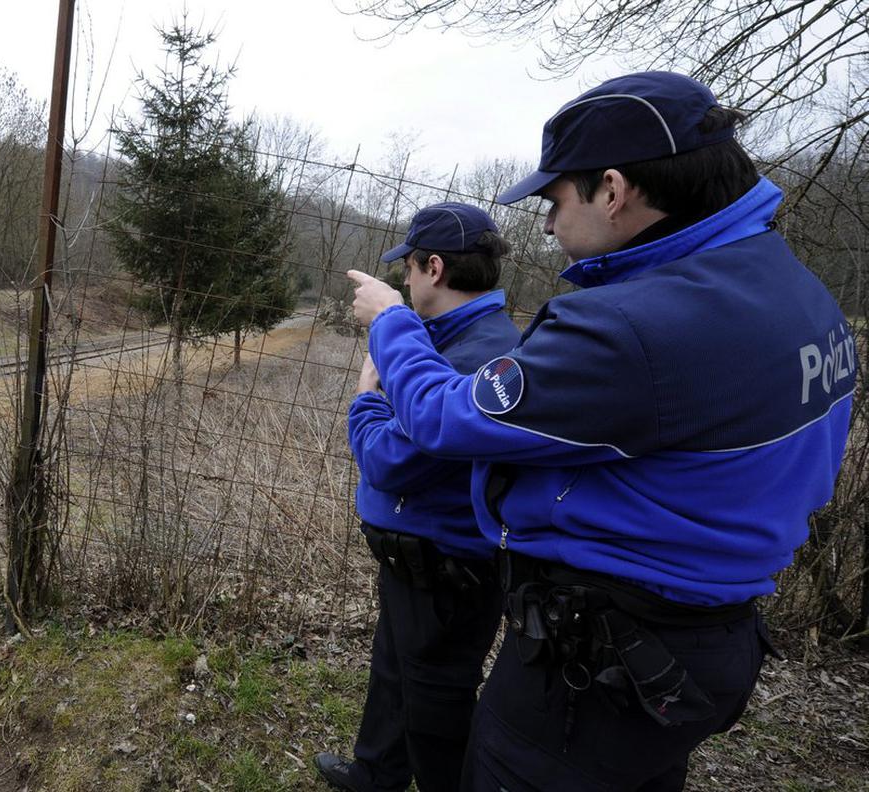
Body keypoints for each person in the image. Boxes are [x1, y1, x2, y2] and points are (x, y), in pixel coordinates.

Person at [345, 71, 853, 791]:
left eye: (555, 200)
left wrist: (391, 325)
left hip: (598, 663)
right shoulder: (802, 297)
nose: (546, 224)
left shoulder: (632, 327)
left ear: (612, 190)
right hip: (709, 638)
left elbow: (438, 420)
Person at [316, 203, 520, 792]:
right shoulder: (448, 340)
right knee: (393, 671)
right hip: (417, 561)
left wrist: (366, 397)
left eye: (407, 267)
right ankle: (375, 774)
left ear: (433, 267)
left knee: (436, 702)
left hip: (449, 573)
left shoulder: (478, 355)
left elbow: (390, 461)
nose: (404, 280)